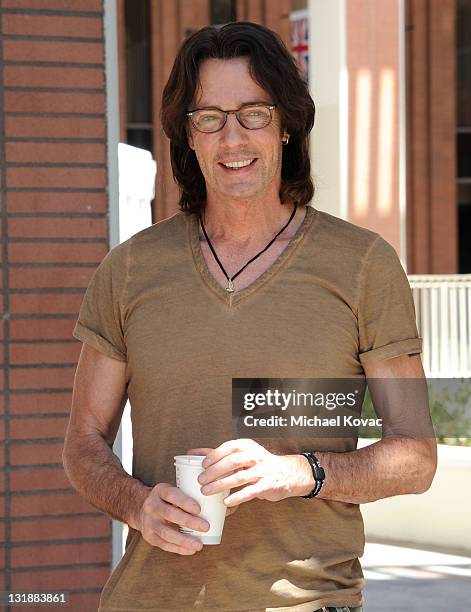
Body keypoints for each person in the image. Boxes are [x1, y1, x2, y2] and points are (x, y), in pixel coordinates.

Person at [63, 21, 437, 612]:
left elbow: (416, 457)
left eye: (253, 113)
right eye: (208, 117)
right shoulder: (130, 269)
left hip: (307, 602)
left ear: (286, 124)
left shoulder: (362, 265)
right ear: (188, 136)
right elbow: (83, 442)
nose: (232, 138)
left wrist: (299, 472)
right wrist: (136, 504)